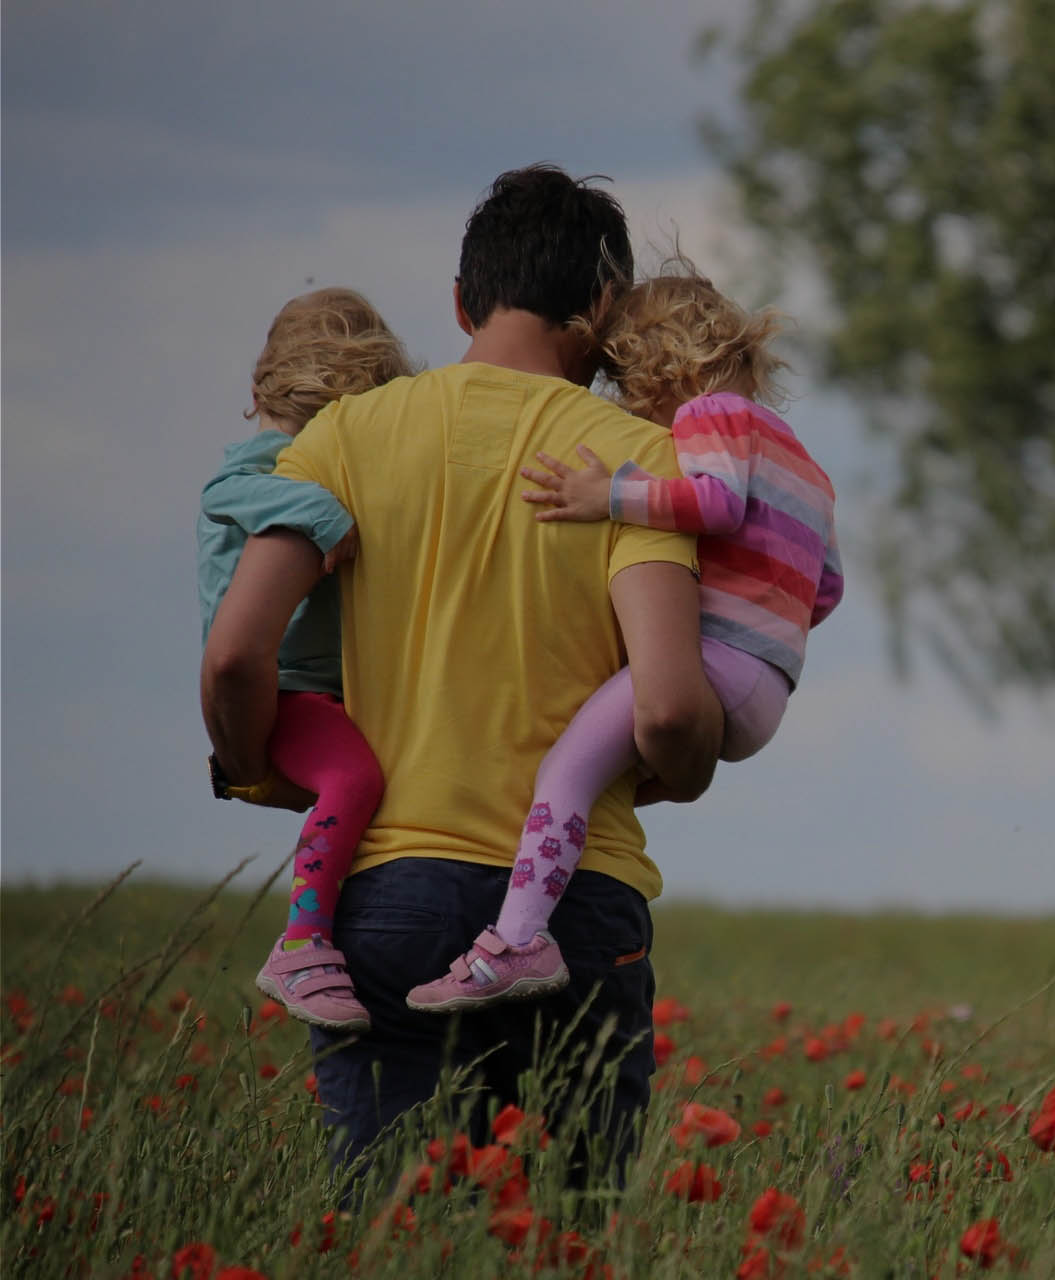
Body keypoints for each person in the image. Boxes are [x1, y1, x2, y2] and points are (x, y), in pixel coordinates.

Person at [201, 165, 722, 1176]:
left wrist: (257, 767)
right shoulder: (637, 462)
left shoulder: (342, 436)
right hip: (576, 906)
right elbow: (666, 708)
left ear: (459, 302)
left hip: (388, 896)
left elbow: (233, 653)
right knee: (568, 1230)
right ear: (605, 308)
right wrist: (688, 766)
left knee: (394, 1226)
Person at [406, 266, 843, 1012]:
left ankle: (517, 941)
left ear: (662, 368)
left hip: (716, 662)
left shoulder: (710, 413)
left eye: (629, 386)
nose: (634, 408)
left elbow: (716, 504)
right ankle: (541, 901)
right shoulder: (805, 462)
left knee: (564, 772)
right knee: (606, 774)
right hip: (769, 685)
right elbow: (826, 589)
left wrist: (608, 494)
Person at [197, 287, 413, 1032]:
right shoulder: (267, 464)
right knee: (355, 779)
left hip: (319, 689)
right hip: (287, 689)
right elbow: (225, 491)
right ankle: (302, 942)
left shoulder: (299, 456)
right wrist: (324, 513)